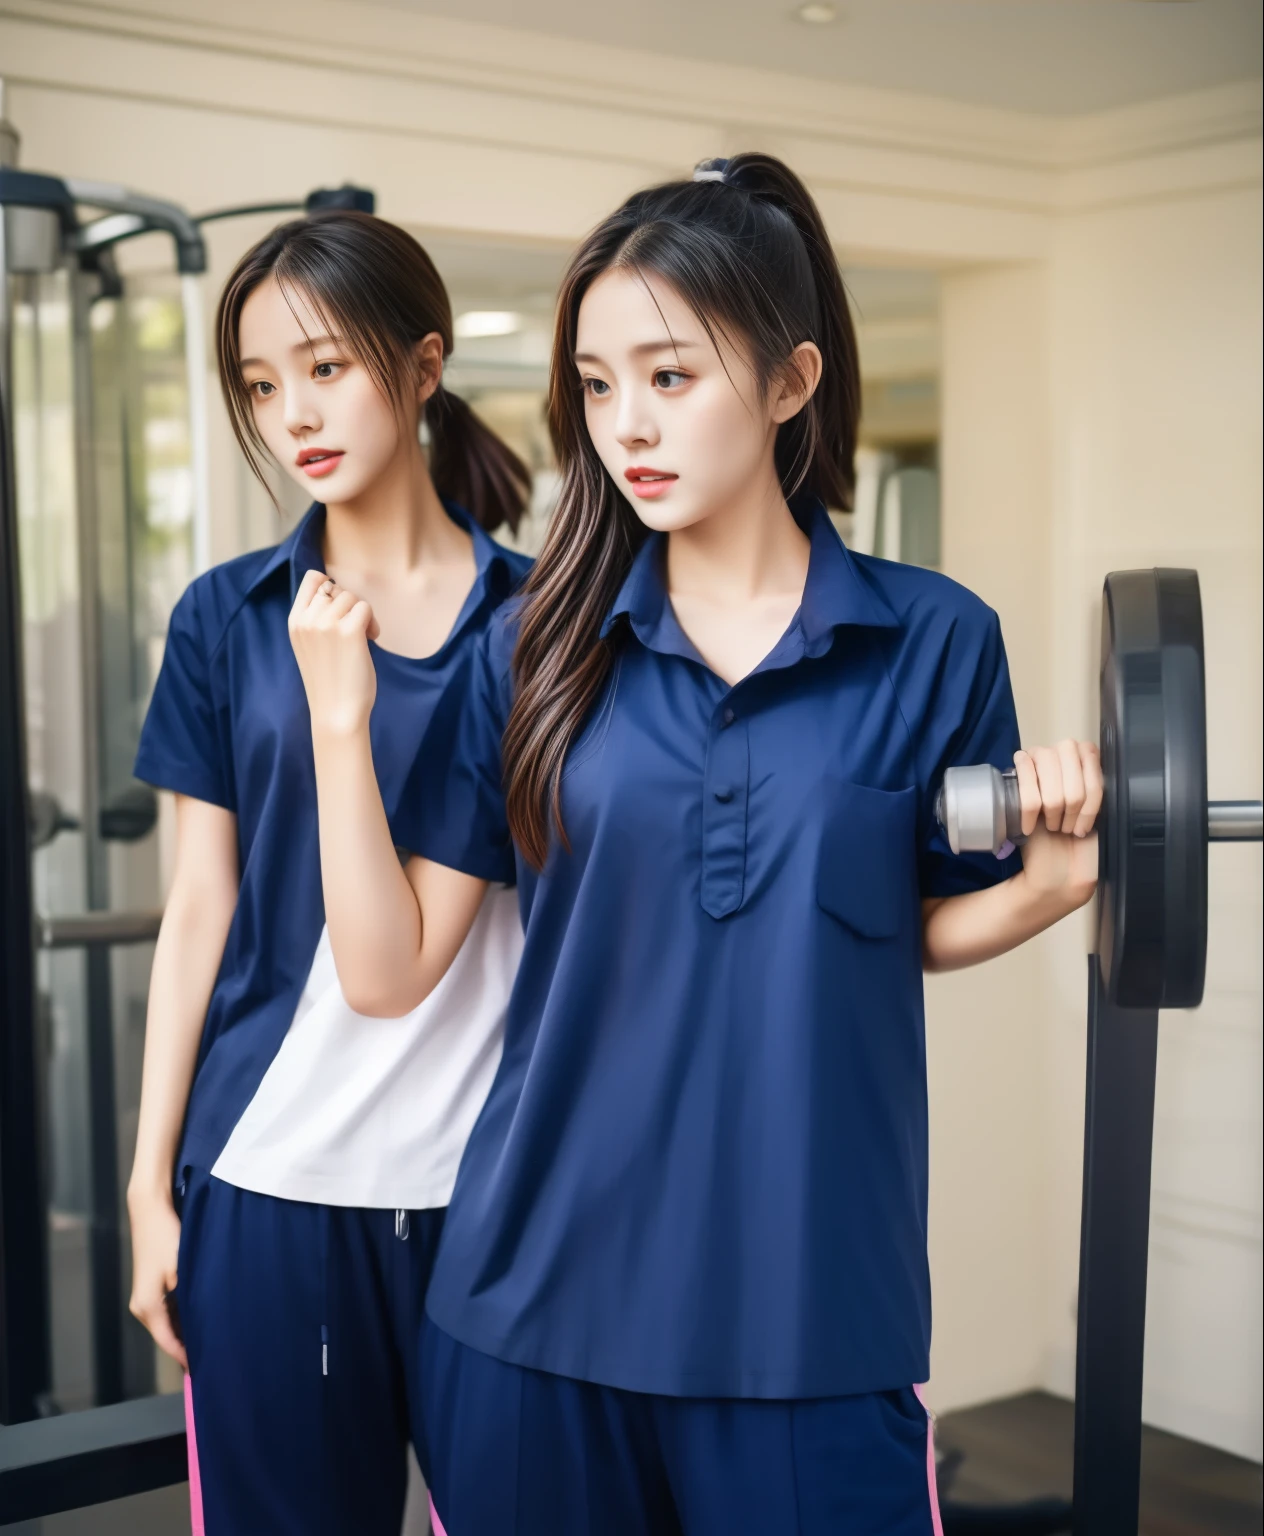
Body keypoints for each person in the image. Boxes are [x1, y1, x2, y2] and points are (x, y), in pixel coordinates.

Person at [289, 156, 1101, 1535]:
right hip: (529, 1312)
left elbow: (877, 925)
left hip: (809, 1320)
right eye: (598, 386)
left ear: (789, 384)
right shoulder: (533, 643)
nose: (626, 427)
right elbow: (384, 972)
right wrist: (339, 724)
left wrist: (1055, 885)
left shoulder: (936, 639)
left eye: (670, 377)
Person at [126, 209, 531, 1535]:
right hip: (268, 1193)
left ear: (422, 365)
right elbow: (199, 913)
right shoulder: (225, 618)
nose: (292, 411)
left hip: (497, 1199)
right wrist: (148, 1185)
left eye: (325, 366)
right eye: (259, 383)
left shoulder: (542, 629)